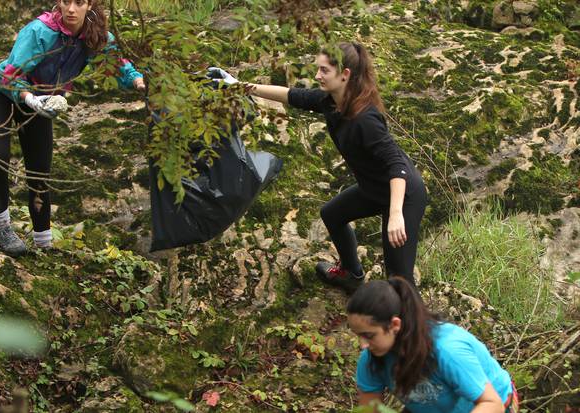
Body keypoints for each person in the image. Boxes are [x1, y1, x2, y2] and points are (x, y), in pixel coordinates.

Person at [208, 41, 427, 294]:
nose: (317, 75)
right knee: (332, 214)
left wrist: (396, 213)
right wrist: (238, 86)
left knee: (399, 281)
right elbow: (290, 95)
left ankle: (417, 330)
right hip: (373, 188)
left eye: (324, 71)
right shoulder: (331, 101)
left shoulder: (365, 118)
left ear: (345, 75)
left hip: (403, 194)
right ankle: (351, 274)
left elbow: (396, 165)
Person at [0, 0, 145, 256]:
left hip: (41, 100)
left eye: (79, 3)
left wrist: (137, 81)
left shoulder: (95, 35)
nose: (71, 9)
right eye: (66, 1)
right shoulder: (39, 31)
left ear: (89, 5)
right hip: (3, 93)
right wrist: (29, 98)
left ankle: (44, 244)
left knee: (39, 170)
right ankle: (3, 229)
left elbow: (116, 63)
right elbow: (7, 76)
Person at [347, 277, 520, 413]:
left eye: (369, 335)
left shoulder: (447, 350)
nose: (362, 345)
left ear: (394, 325)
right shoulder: (371, 359)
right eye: (358, 335)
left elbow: (492, 404)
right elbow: (369, 410)